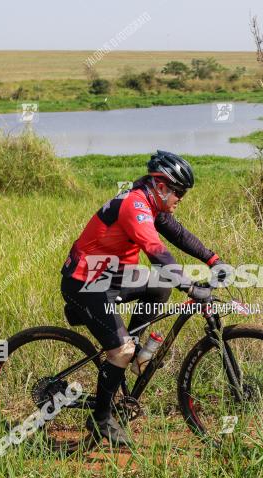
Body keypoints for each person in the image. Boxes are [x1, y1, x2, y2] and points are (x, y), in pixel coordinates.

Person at [60, 150, 225, 447]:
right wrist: (189, 287)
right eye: (179, 192)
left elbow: (177, 233)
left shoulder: (149, 202)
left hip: (109, 276)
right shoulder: (134, 205)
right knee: (120, 351)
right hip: (85, 282)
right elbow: (156, 251)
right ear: (161, 186)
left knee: (160, 286)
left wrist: (213, 259)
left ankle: (135, 351)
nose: (181, 199)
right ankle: (101, 417)